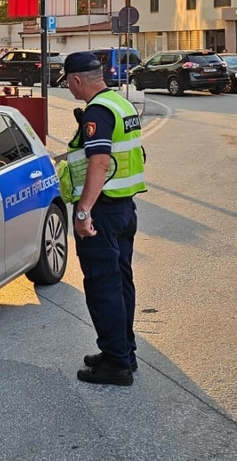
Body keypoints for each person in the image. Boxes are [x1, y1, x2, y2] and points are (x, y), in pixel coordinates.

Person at [61, 51, 147, 387]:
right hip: (123, 208)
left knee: (103, 285)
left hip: (103, 210)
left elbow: (99, 163)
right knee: (121, 281)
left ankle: (116, 363)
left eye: (68, 82)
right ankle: (124, 350)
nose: (68, 88)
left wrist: (83, 212)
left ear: (77, 80)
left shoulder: (98, 112)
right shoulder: (120, 104)